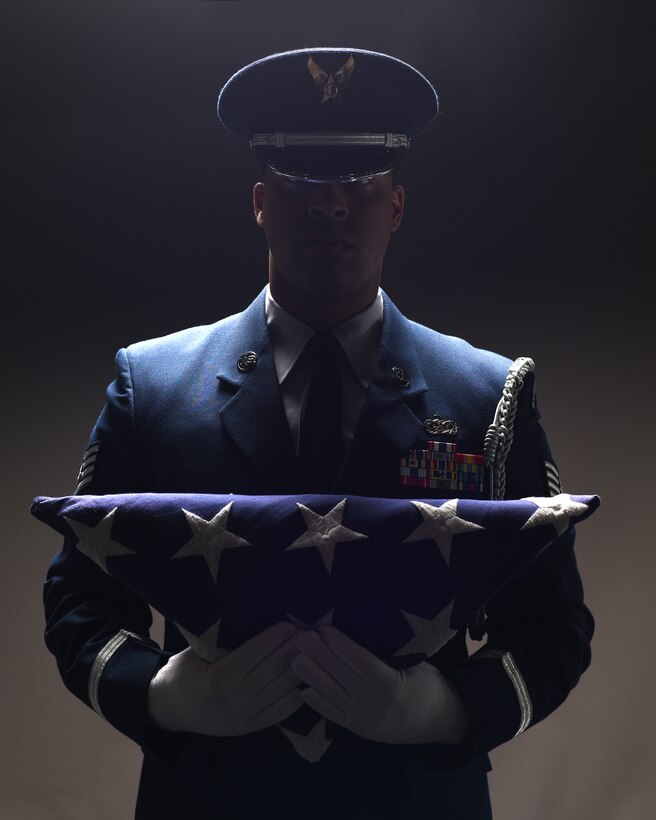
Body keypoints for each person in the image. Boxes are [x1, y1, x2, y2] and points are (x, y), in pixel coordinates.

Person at [43, 47, 593, 819]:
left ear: (395, 205)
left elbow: (555, 626)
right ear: (262, 202)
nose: (331, 205)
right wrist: (172, 695)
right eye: (303, 182)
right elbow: (78, 605)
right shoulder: (155, 388)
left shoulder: (486, 395)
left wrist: (438, 710)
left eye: (359, 183)